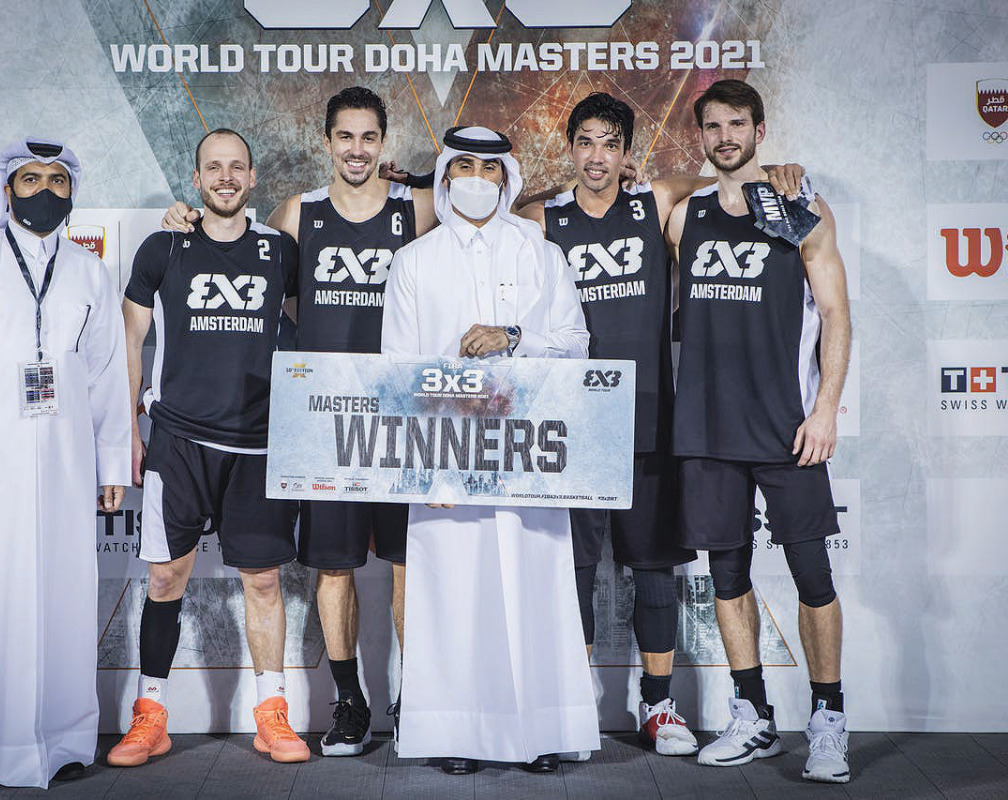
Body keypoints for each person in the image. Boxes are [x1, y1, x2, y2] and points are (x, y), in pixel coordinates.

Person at [517, 92, 805, 758]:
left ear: (627, 153)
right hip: (572, 426)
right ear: (571, 149)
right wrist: (555, 184)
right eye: (584, 142)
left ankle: (656, 703)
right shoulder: (545, 218)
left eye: (609, 143)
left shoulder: (656, 202)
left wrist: (780, 172)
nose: (596, 156)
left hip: (649, 417)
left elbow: (726, 177)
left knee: (652, 571)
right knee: (577, 573)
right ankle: (571, 706)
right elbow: (495, 208)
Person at [161, 87, 437, 755]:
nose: (357, 149)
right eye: (345, 137)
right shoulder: (297, 214)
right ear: (327, 141)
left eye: (369, 137)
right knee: (333, 568)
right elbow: (237, 257)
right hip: (328, 423)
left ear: (384, 142)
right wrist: (185, 221)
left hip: (405, 419)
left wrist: (429, 177)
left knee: (407, 566)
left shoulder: (419, 209)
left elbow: (500, 200)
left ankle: (417, 700)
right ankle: (348, 702)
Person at [0, 138, 131, 789]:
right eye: (30, 179)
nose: (44, 191)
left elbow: (106, 377)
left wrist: (112, 461)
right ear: (6, 190)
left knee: (61, 602)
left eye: (58, 181)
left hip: (64, 469)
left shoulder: (90, 272)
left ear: (73, 192)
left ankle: (58, 741)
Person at [381, 125, 597, 775]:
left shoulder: (540, 253)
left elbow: (574, 342)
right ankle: (456, 735)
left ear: (508, 179)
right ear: (445, 177)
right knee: (454, 598)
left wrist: (513, 336)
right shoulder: (415, 261)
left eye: (490, 168)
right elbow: (399, 371)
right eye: (464, 166)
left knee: (535, 590)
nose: (477, 178)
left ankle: (539, 732)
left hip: (528, 456)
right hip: (447, 460)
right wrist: (428, 470)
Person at [665, 79, 852, 783]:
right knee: (727, 576)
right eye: (712, 127)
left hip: (786, 427)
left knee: (813, 576)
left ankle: (829, 719)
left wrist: (827, 407)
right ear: (702, 136)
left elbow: (835, 312)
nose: (724, 137)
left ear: (760, 128)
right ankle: (754, 716)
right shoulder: (685, 218)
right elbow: (644, 189)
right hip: (708, 429)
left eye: (736, 124)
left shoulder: (803, 208)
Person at [106, 128, 305, 767]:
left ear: (252, 178)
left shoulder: (282, 251)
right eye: (212, 168)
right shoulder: (164, 247)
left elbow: (308, 338)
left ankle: (273, 714)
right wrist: (125, 435)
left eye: (236, 167)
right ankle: (151, 715)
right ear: (197, 180)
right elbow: (129, 342)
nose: (224, 177)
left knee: (264, 581)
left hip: (259, 443)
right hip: (179, 438)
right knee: (165, 577)